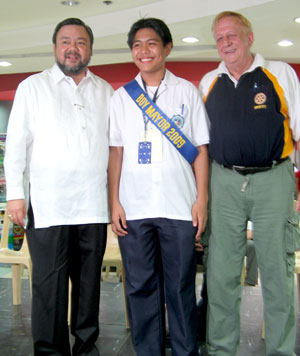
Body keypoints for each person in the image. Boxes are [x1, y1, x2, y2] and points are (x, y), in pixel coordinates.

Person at [4, 18, 113, 356]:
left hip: (94, 205)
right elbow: (17, 145)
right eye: (65, 41)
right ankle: (50, 350)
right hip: (49, 206)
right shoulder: (32, 87)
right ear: (55, 47)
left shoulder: (105, 91)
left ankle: (85, 346)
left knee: (88, 284)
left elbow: (115, 148)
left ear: (90, 49)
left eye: (80, 42)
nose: (73, 48)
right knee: (48, 286)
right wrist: (16, 196)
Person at [199, 11, 300, 356]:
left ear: (249, 37)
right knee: (221, 274)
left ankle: (281, 350)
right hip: (224, 182)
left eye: (232, 36)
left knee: (276, 273)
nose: (226, 43)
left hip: (274, 179)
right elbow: (202, 144)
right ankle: (221, 349)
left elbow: (298, 133)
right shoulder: (209, 81)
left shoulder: (280, 73)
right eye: (220, 38)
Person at [108, 17, 210, 356]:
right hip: (134, 208)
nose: (143, 50)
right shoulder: (122, 98)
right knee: (139, 287)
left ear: (166, 47)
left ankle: (184, 351)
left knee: (180, 287)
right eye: (137, 45)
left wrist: (202, 200)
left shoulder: (186, 92)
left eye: (151, 43)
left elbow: (200, 151)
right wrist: (114, 202)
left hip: (179, 206)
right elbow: (116, 153)